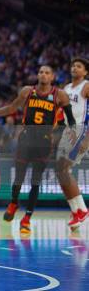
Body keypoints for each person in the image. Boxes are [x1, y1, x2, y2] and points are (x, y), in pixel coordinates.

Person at [0, 65, 75, 233]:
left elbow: (71, 121)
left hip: (44, 142)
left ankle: (27, 218)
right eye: (40, 71)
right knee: (18, 177)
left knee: (35, 182)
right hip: (26, 138)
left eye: (47, 72)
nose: (43, 74)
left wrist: (64, 136)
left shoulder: (60, 95)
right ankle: (13, 203)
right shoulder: (27, 91)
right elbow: (11, 108)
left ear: (53, 77)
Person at [54, 57, 89, 230]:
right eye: (73, 65)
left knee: (64, 168)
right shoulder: (66, 88)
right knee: (60, 171)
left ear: (85, 71)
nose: (75, 68)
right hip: (67, 132)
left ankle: (81, 209)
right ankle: (77, 211)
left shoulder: (86, 85)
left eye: (79, 66)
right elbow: (61, 113)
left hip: (81, 131)